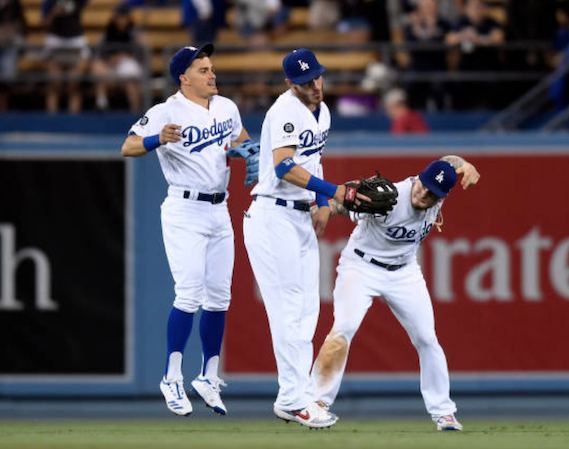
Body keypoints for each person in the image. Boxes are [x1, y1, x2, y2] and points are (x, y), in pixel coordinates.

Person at [121, 43, 258, 417]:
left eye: (212, 68)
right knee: (189, 293)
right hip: (184, 208)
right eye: (203, 70)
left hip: (219, 208)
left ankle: (208, 376)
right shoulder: (166, 110)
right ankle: (171, 377)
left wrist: (248, 153)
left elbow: (242, 141)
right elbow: (128, 147)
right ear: (184, 77)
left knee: (220, 297)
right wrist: (157, 139)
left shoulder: (226, 107)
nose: (212, 75)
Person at [242, 48, 369, 429]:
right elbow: (283, 166)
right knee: (287, 309)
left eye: (317, 77)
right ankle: (292, 398)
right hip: (272, 214)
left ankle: (298, 396)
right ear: (289, 84)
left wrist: (321, 203)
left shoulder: (323, 110)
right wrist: (334, 191)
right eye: (305, 81)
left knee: (308, 308)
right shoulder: (284, 110)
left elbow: (311, 161)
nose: (315, 85)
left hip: (298, 215)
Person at [310, 155, 480, 432]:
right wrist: (326, 208)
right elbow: (343, 202)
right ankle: (316, 402)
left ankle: (444, 412)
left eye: (430, 193)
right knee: (343, 329)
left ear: (441, 198)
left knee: (427, 338)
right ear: (419, 176)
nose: (422, 192)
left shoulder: (438, 192)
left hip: (404, 272)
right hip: (361, 267)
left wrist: (466, 166)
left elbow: (450, 162)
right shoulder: (388, 196)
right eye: (422, 184)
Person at [92, 4, 144, 112]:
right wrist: (112, 59)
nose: (121, 20)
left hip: (128, 66)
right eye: (118, 17)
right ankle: (101, 105)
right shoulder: (108, 32)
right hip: (111, 68)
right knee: (97, 67)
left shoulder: (134, 33)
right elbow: (99, 54)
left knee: (131, 83)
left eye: (123, 17)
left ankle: (135, 114)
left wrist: (125, 56)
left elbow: (142, 54)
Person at [41, 0, 90, 113]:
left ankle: (73, 120)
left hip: (76, 41)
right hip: (54, 41)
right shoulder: (49, 2)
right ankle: (52, 121)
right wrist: (54, 13)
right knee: (54, 84)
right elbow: (44, 24)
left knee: (74, 85)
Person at [0, 0, 27, 111]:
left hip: (9, 43)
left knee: (6, 79)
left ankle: (3, 110)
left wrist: (12, 29)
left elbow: (23, 24)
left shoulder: (15, 4)